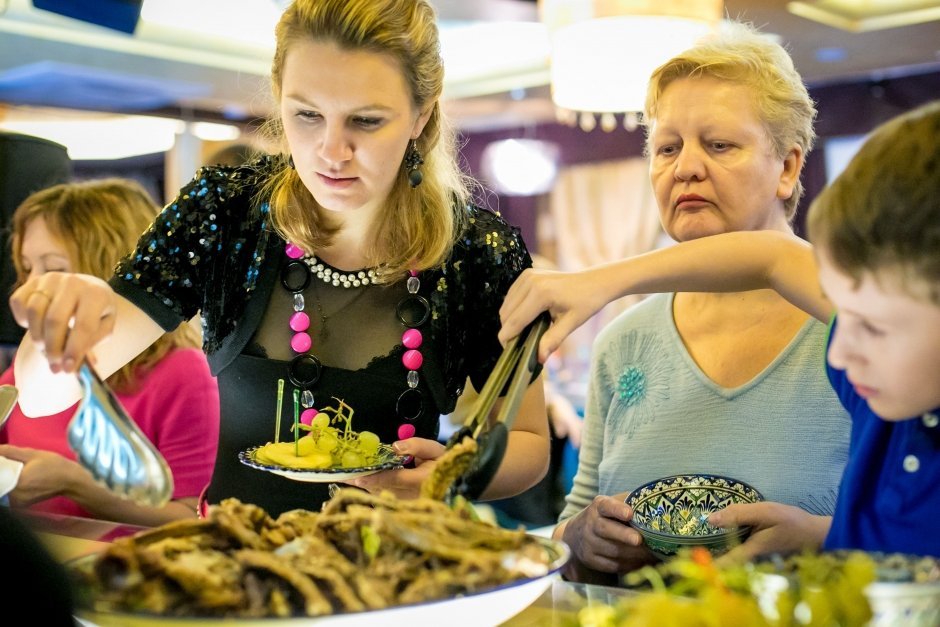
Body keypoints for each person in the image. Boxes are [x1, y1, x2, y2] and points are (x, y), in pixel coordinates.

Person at [8, 0, 548, 519]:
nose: (332, 151)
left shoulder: (478, 252)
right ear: (279, 100)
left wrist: (451, 473)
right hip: (237, 577)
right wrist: (59, 322)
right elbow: (40, 396)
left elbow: (528, 443)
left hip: (398, 578)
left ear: (420, 117)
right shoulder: (226, 212)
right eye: (307, 115)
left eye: (365, 121)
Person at [499, 22, 851, 582]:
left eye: (719, 144)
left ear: (787, 167)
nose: (685, 166)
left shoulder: (855, 324)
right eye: (667, 148)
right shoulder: (625, 341)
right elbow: (571, 523)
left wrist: (825, 537)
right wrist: (582, 538)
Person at [0, 179, 219, 526]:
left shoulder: (183, 373)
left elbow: (190, 518)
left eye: (53, 269)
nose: (31, 286)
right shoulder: (35, 364)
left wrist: (74, 483)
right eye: (27, 268)